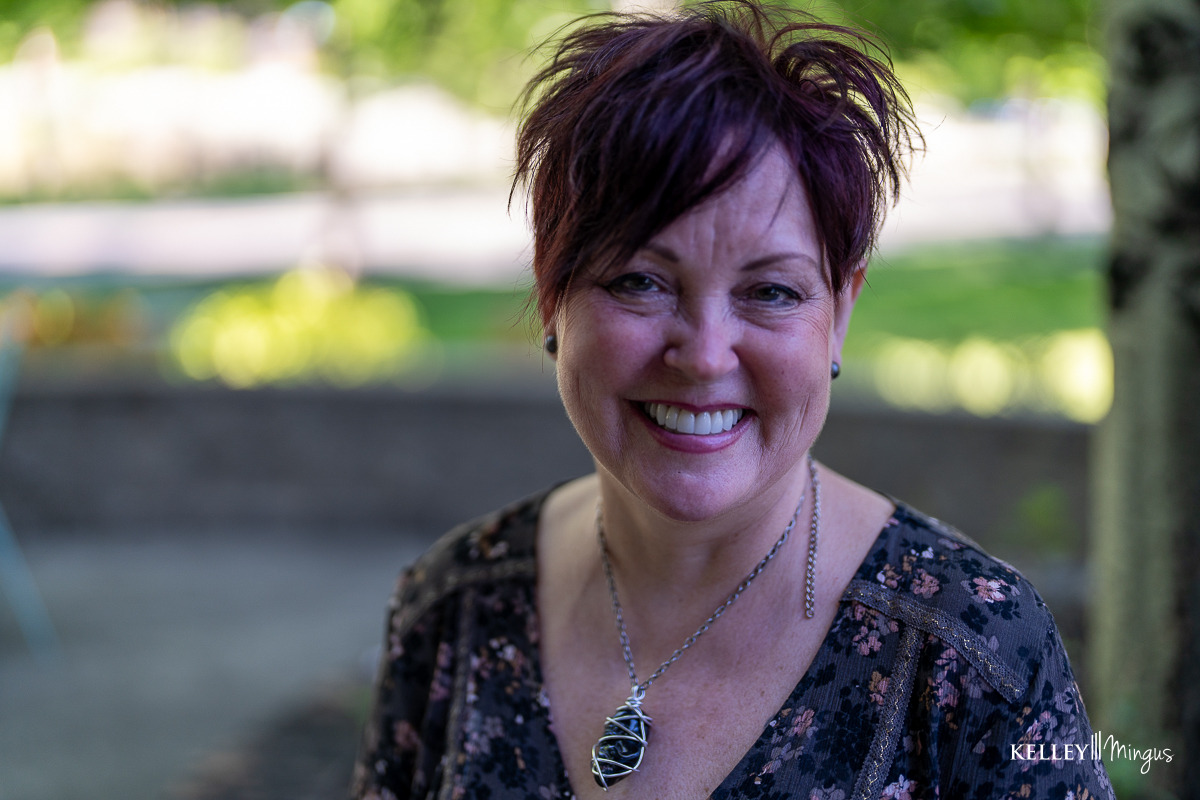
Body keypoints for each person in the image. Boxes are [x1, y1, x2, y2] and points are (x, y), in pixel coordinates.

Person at [350, 2, 1115, 798]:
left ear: (840, 313)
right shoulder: (454, 607)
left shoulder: (973, 651)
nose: (706, 355)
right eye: (640, 282)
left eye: (772, 292)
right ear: (553, 295)